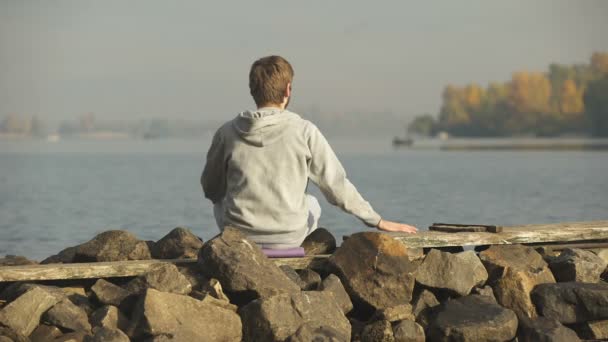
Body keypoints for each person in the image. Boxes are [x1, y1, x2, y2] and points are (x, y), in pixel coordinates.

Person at [201, 55, 417, 249]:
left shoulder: (226, 133)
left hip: (241, 238)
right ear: (287, 90)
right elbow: (336, 186)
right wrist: (377, 221)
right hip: (288, 238)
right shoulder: (304, 131)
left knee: (221, 201)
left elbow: (211, 189)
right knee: (312, 202)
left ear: (252, 90)